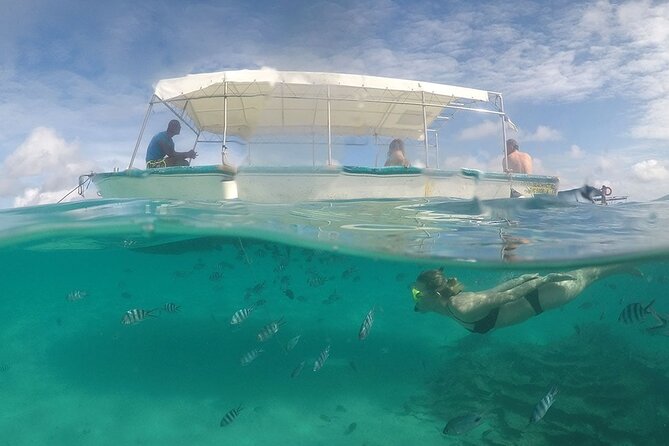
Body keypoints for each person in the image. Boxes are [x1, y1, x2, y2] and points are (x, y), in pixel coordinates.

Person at [411, 265, 639, 334]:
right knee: (591, 274)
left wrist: (545, 279)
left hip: (543, 297)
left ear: (436, 294)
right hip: (536, 295)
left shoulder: (461, 307)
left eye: (418, 293)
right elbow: (496, 292)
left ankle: (623, 267)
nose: (416, 298)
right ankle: (622, 268)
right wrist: (521, 278)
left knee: (592, 274)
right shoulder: (451, 303)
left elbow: (508, 296)